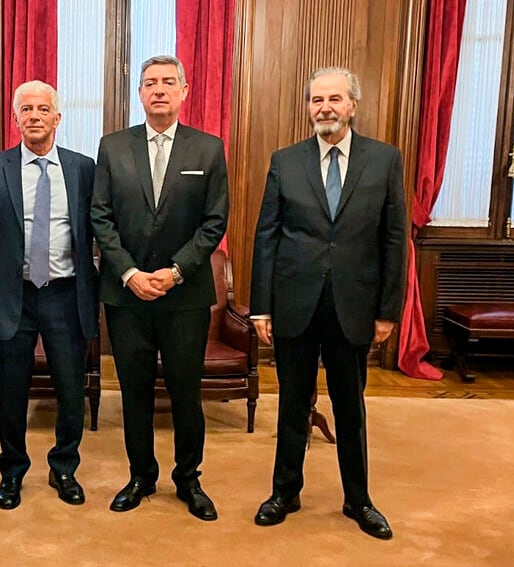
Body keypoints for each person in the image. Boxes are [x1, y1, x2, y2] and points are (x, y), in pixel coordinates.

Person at [250, 66, 406, 539]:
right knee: (292, 404)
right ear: (308, 107)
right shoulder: (286, 160)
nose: (326, 108)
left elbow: (394, 239)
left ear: (353, 105)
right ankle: (284, 492)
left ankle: (358, 500)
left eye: (335, 99)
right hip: (295, 302)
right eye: (317, 100)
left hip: (354, 305)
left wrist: (387, 310)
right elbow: (267, 238)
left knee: (349, 406)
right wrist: (261, 307)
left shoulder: (384, 160)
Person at [91, 55, 228, 522]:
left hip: (184, 295)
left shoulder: (208, 149)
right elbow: (100, 218)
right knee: (134, 391)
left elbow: (214, 223)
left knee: (186, 391)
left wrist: (175, 272)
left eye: (169, 82)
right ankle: (140, 475)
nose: (160, 90)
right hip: (126, 295)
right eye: (151, 83)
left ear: (185, 91)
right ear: (141, 94)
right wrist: (130, 273)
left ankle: (188, 479)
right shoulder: (112, 147)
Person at [0, 80, 98, 510]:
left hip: (66, 293)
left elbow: (96, 231)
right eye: (27, 109)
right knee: (13, 390)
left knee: (69, 388)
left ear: (57, 119)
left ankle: (64, 467)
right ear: (16, 118)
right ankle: (12, 471)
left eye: (44, 109)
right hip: (12, 295)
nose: (35, 116)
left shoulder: (83, 168)